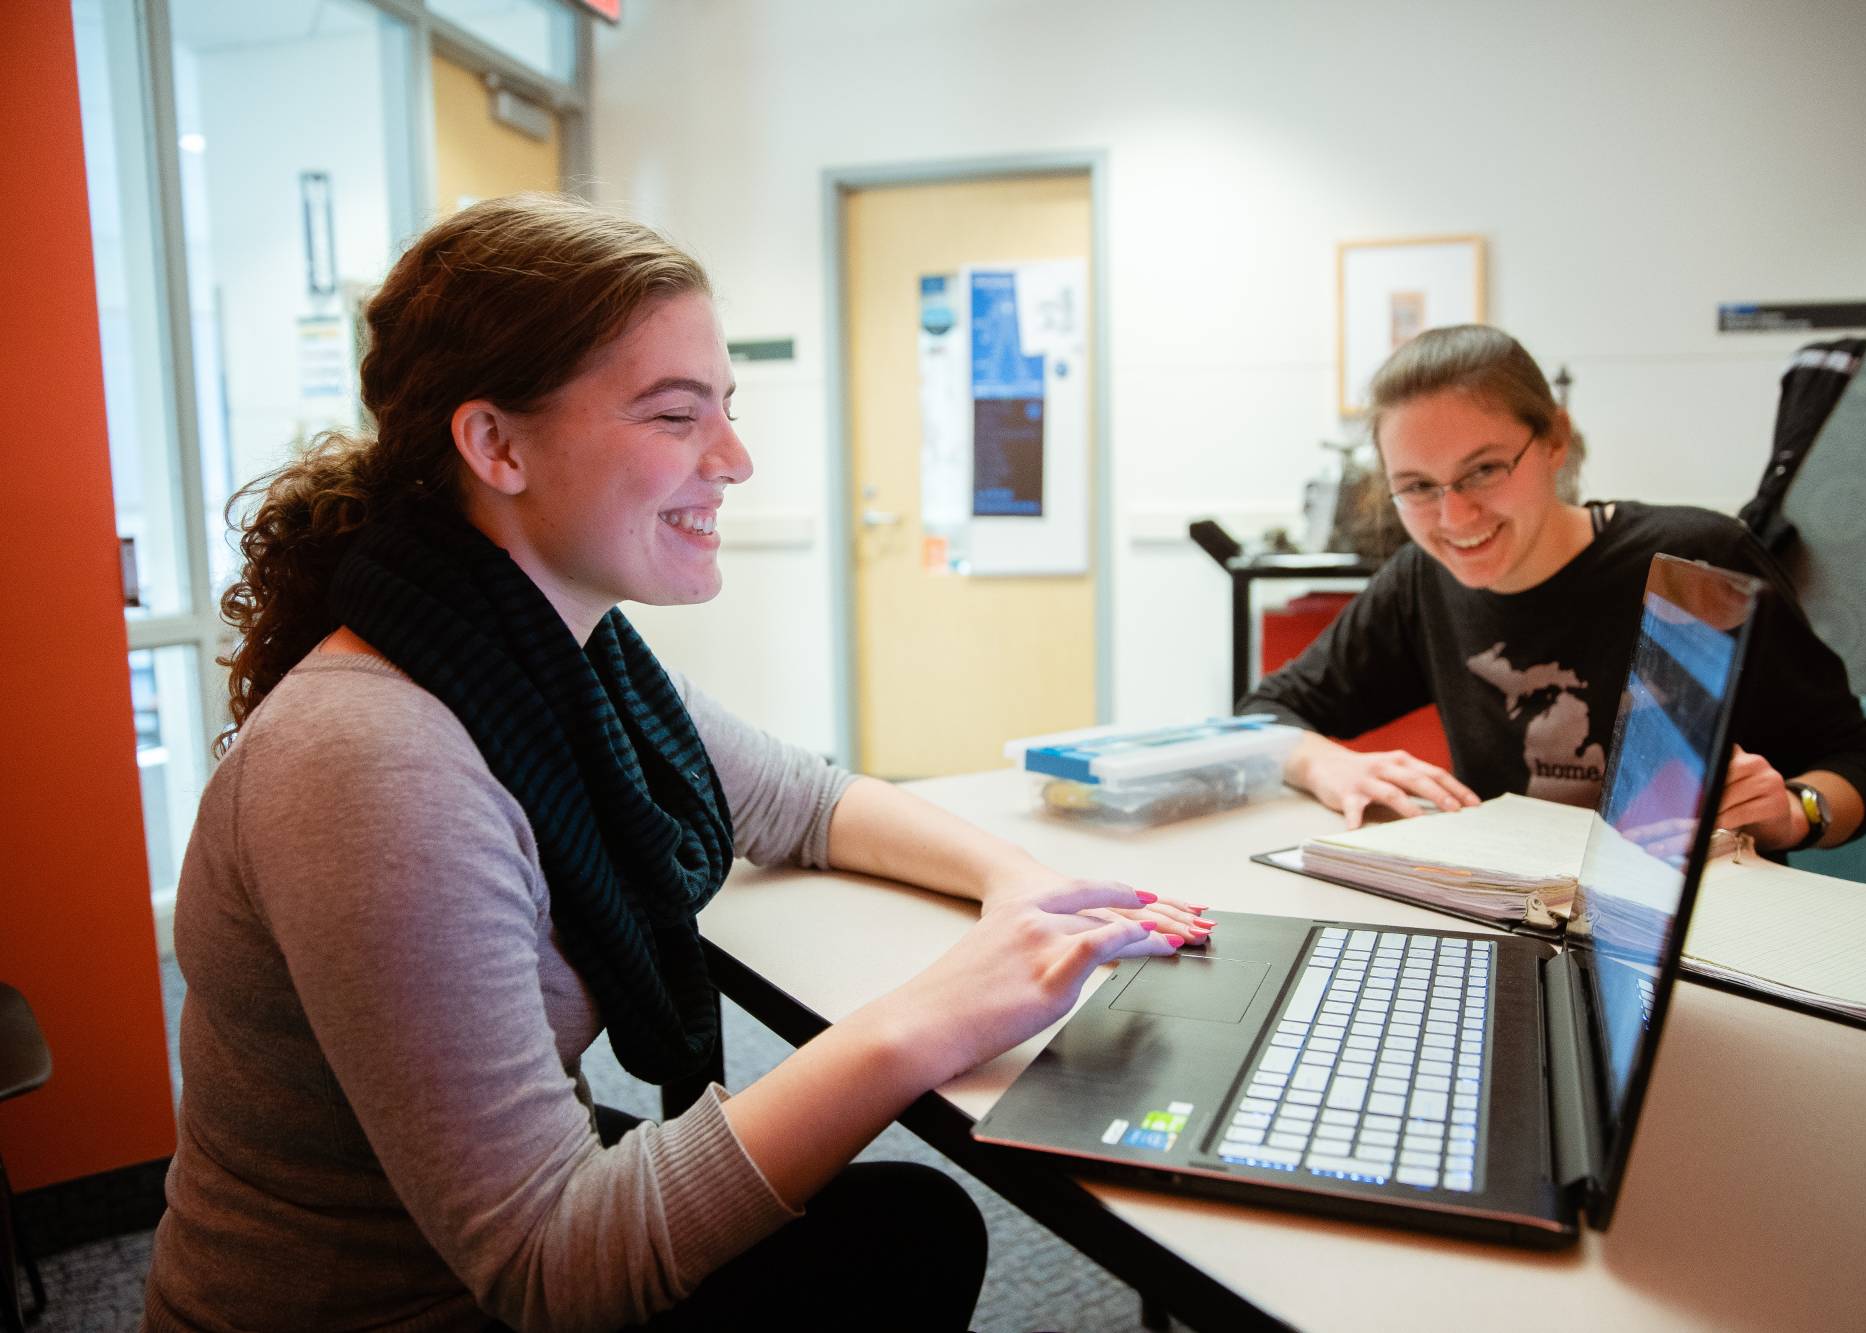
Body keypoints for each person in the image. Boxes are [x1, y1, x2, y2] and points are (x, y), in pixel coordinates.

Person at [142, 194, 1212, 1332]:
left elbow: (799, 797)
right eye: (672, 414)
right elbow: (552, 1268)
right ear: (495, 443)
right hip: (384, 1310)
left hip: (462, 1258)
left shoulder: (558, 660)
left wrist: (1018, 885)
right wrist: (930, 1017)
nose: (735, 459)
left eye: (727, 408)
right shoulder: (373, 759)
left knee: (905, 1231)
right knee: (900, 1239)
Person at [1240, 324, 1866, 852]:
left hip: (1704, 940)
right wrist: (1328, 764)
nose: (1455, 518)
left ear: (1555, 440)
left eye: (1486, 469)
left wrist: (1793, 810)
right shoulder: (1422, 581)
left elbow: (1860, 766)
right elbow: (1263, 713)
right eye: (1416, 486)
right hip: (1522, 926)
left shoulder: (1699, 560)